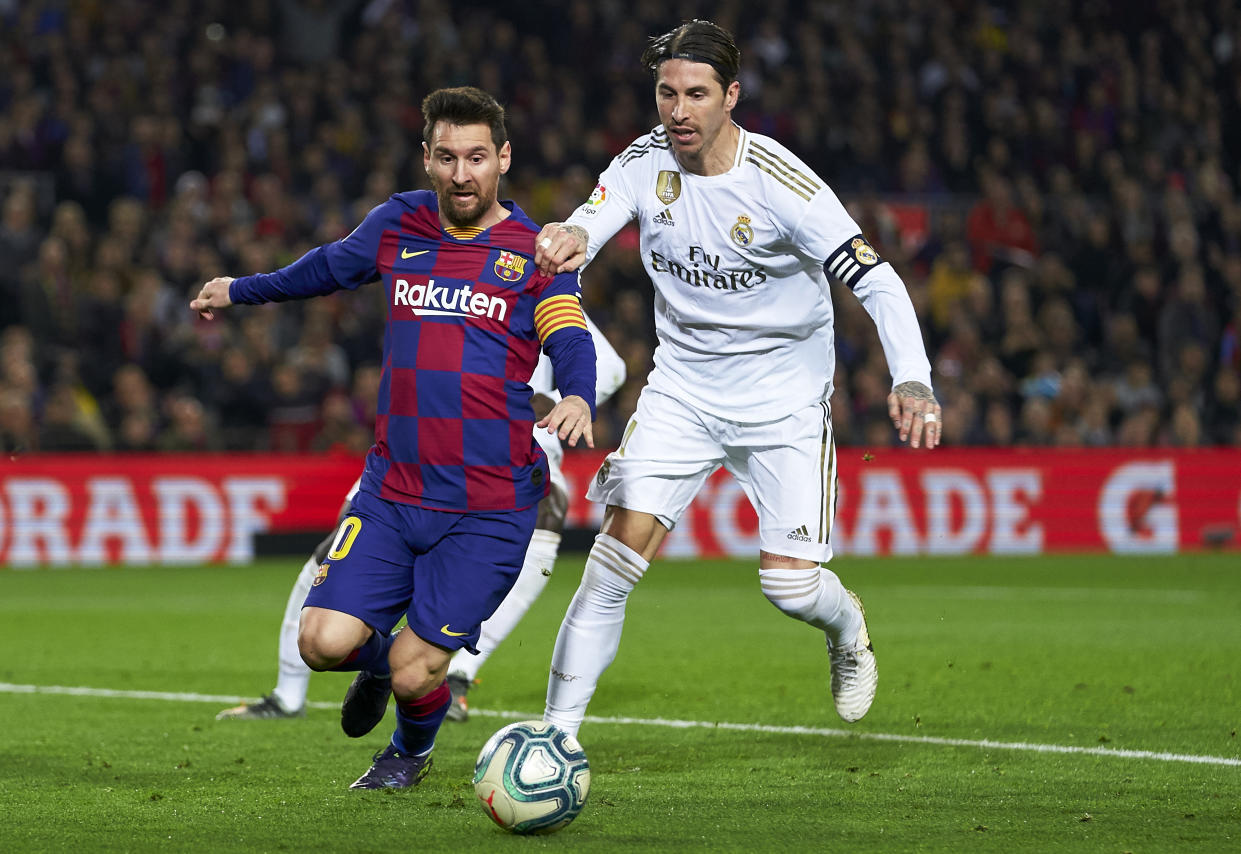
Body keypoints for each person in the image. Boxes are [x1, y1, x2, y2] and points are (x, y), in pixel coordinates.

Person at [533, 20, 941, 739]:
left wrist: (912, 379)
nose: (678, 111)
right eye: (666, 93)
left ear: (731, 97)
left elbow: (874, 281)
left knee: (788, 586)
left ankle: (846, 627)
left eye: (696, 94)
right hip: (682, 392)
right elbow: (588, 224)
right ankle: (554, 737)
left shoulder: (783, 184)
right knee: (609, 566)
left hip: (783, 398)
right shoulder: (641, 163)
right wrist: (568, 235)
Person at [191, 86, 598, 791]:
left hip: (487, 507)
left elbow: (568, 335)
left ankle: (408, 750)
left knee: (420, 672)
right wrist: (242, 289)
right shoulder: (399, 223)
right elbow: (323, 269)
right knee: (321, 643)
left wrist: (577, 395)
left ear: (502, 158)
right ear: (427, 158)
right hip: (393, 492)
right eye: (446, 157)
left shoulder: (533, 254)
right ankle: (375, 667)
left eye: (476, 157)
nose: (461, 174)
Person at [216, 312, 626, 723]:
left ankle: (457, 678)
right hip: (418, 451)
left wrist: (553, 402)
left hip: (512, 465)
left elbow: (608, 367)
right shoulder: (435, 265)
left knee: (505, 566)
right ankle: (291, 693)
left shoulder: (542, 286)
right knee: (329, 559)